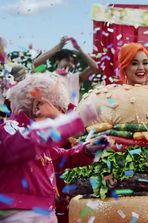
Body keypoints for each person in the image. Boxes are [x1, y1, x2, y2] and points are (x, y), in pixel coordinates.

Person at [0, 73, 108, 223]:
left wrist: (87, 150)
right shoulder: (9, 130)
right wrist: (74, 122)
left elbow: (61, 157)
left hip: (44, 211)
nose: (61, 118)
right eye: (58, 112)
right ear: (38, 106)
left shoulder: (34, 136)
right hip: (21, 214)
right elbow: (33, 140)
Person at [33, 36, 98, 105]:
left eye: (72, 62)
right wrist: (59, 46)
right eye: (67, 60)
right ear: (57, 61)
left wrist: (78, 49)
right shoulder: (47, 75)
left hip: (71, 114)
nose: (70, 64)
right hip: (53, 113)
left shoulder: (76, 78)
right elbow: (36, 64)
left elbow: (94, 68)